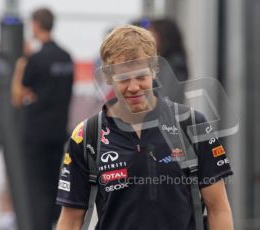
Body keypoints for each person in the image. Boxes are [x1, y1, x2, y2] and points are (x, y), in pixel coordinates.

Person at [56, 25, 233, 230]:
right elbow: (70, 219)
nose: (133, 87)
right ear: (108, 76)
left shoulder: (192, 125)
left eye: (141, 77)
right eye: (123, 78)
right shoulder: (87, 136)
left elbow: (218, 208)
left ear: (154, 69)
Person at [20, 8, 74, 230]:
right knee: (56, 183)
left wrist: (23, 60)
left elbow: (18, 92)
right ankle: (58, 223)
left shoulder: (36, 58)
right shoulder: (66, 57)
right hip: (59, 131)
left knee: (37, 187)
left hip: (36, 133)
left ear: (35, 25)